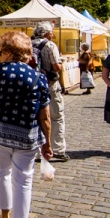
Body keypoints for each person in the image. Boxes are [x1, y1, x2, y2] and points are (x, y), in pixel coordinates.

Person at [0, 31, 53, 218]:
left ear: (9, 52)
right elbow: (45, 115)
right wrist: (47, 142)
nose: (0, 55)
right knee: (23, 180)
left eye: (1, 51)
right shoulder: (38, 77)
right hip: (27, 136)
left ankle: (4, 217)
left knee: (1, 174)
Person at [31, 23, 68, 162]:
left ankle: (36, 150)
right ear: (47, 33)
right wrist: (62, 62)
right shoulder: (50, 45)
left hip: (33, 84)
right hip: (49, 84)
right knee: (56, 116)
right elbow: (56, 67)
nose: (52, 34)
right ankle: (57, 149)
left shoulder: (29, 43)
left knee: (36, 117)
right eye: (51, 32)